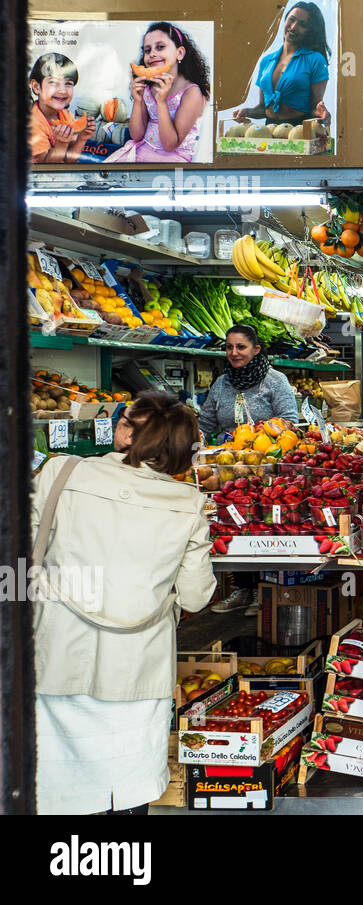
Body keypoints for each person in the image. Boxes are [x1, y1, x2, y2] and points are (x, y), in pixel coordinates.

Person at [33, 392, 217, 814]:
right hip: (135, 669)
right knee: (124, 786)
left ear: (125, 431)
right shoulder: (190, 505)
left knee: (53, 781)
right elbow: (195, 595)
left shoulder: (61, 473)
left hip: (56, 655)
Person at [199, 325, 298, 614]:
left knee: (262, 525)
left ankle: (265, 591)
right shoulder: (222, 384)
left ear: (256, 349)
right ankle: (243, 589)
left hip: (267, 472)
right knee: (234, 525)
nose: (233, 353)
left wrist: (261, 438)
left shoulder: (275, 381)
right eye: (229, 347)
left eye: (240, 347)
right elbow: (206, 423)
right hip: (229, 470)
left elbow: (290, 420)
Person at [105, 23, 211, 163]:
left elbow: (169, 145)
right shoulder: (148, 86)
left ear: (179, 53)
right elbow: (136, 135)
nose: (152, 54)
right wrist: (138, 100)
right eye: (147, 50)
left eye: (160, 47)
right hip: (142, 150)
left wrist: (161, 103)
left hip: (173, 159)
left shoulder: (192, 92)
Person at [233, 0, 333, 129]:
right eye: (291, 20)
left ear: (310, 31)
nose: (293, 27)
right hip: (269, 130)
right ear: (284, 20)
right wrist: (248, 112)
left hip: (300, 130)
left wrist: (321, 112)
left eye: (302, 25)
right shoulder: (266, 61)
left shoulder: (315, 60)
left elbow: (314, 106)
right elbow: (264, 108)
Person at [29, 53, 93, 163]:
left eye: (68, 83)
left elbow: (69, 160)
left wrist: (82, 138)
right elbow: (47, 170)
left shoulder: (65, 114)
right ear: (36, 87)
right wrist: (61, 144)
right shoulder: (32, 123)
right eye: (54, 83)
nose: (62, 90)